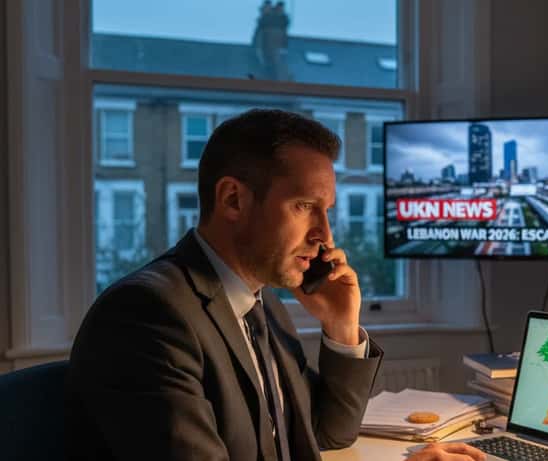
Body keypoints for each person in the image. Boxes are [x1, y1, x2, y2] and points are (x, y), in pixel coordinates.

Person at [66, 109, 485, 461]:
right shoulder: (148, 314)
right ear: (233, 199)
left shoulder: (260, 304)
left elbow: (326, 432)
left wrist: (341, 329)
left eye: (327, 211)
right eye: (304, 206)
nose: (325, 234)